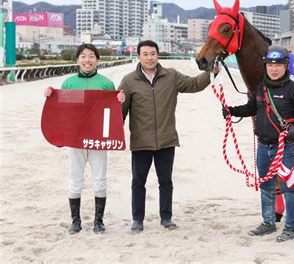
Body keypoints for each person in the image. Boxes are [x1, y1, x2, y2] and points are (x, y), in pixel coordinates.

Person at [119, 40, 213, 233]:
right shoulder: (128, 81)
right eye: (145, 54)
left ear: (157, 55)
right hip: (140, 142)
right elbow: (120, 113)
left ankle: (166, 217)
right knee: (138, 182)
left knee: (166, 182)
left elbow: (194, 84)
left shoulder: (170, 76)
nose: (149, 57)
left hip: (166, 140)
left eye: (152, 53)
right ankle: (137, 219)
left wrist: (210, 72)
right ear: (138, 57)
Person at [223, 45, 294, 242]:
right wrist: (232, 111)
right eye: (270, 64)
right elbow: (251, 108)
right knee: (265, 187)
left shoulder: (293, 89)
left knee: (289, 189)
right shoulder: (261, 88)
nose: (274, 68)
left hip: (285, 148)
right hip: (263, 147)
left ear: (286, 66)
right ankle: (268, 223)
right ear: (265, 66)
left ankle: (291, 228)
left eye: (278, 64)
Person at [44, 43, 125, 235]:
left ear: (97, 60)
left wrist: (120, 100)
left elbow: (113, 114)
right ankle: (75, 221)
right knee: (75, 179)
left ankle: (98, 221)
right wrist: (49, 95)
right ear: (77, 60)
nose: (87, 60)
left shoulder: (106, 83)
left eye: (91, 56)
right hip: (75, 139)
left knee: (100, 179)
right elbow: (62, 113)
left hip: (98, 140)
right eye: (83, 56)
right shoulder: (69, 83)